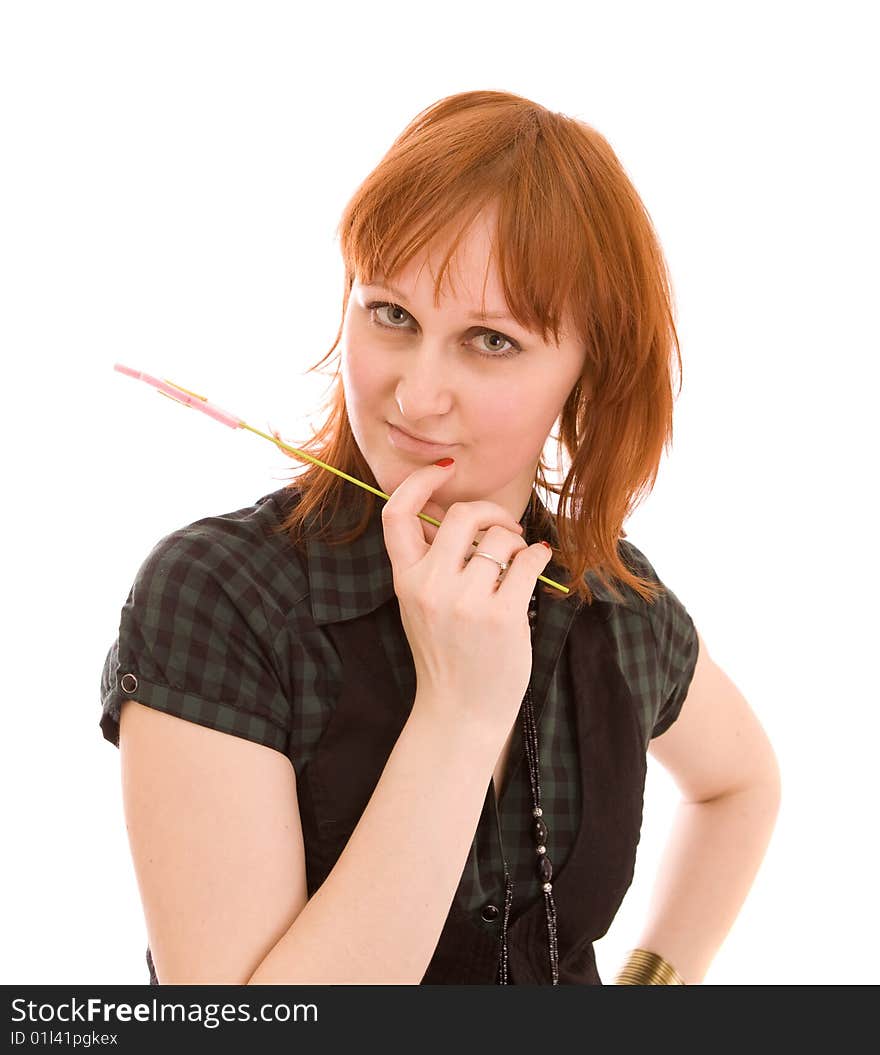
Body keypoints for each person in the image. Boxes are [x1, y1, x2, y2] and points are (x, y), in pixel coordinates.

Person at [99, 89, 781, 985]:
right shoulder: (223, 598)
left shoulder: (606, 600)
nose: (416, 396)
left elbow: (742, 787)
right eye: (392, 315)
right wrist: (460, 712)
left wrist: (652, 986)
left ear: (588, 373)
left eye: (490, 341)